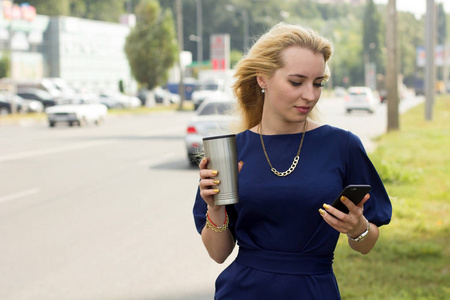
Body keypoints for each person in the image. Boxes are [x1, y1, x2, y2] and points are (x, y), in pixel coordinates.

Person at [193, 22, 392, 300]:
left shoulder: (342, 146)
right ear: (262, 78)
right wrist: (215, 210)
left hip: (313, 291)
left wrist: (358, 228)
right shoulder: (232, 151)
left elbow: (366, 244)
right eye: (296, 82)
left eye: (318, 83)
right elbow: (218, 254)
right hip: (241, 291)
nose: (310, 95)